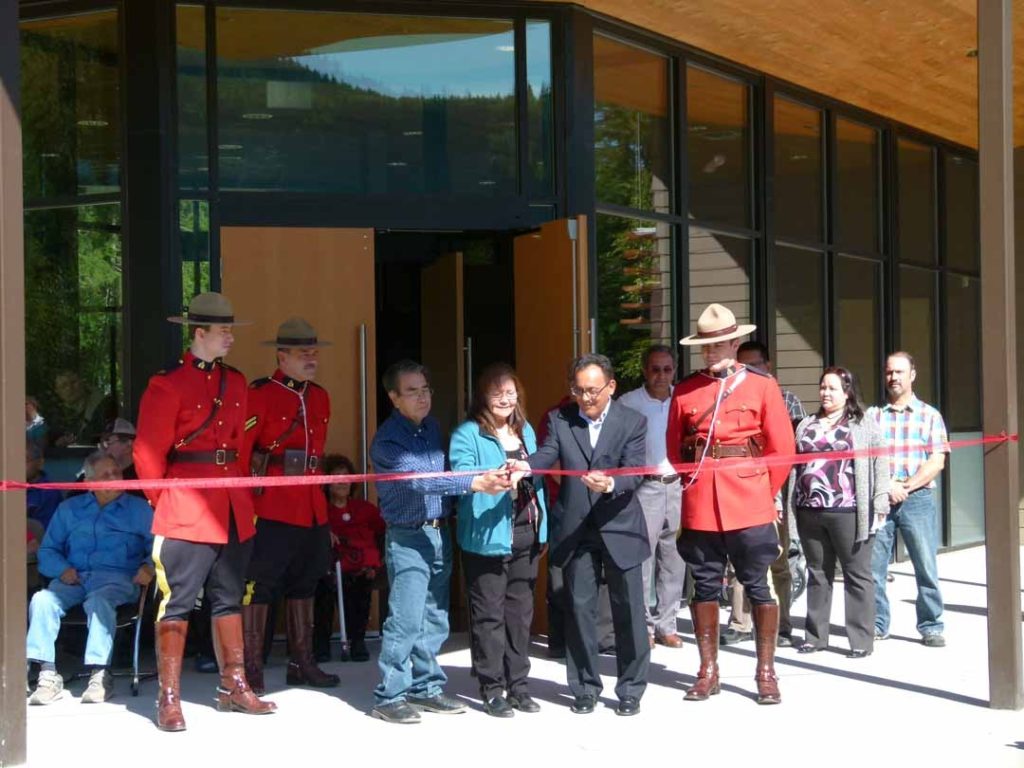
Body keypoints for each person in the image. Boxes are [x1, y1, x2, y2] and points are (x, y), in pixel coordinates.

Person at [134, 292, 275, 732]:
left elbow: (242, 443)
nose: (231, 337)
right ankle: (169, 697)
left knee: (229, 597)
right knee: (176, 602)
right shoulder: (168, 384)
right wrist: (164, 500)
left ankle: (234, 685)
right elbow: (147, 451)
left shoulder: (236, 381)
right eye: (223, 331)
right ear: (199, 334)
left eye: (231, 329)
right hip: (185, 499)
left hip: (231, 501)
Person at [369, 359, 511, 724]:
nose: (422, 397)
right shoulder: (387, 439)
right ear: (394, 398)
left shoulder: (431, 428)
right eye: (412, 391)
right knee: (406, 618)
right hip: (408, 535)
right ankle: (390, 694)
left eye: (425, 389)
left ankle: (426, 687)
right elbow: (419, 480)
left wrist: (484, 480)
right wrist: (472, 482)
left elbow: (442, 475)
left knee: (435, 616)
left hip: (438, 531)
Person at [666, 303, 795, 705]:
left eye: (720, 343)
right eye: (705, 345)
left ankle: (766, 671)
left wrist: (759, 488)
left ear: (735, 343)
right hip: (702, 500)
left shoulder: (761, 385)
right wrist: (695, 482)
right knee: (704, 586)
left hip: (750, 501)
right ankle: (708, 671)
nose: (712, 351)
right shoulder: (686, 389)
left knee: (757, 584)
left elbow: (782, 449)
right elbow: (674, 449)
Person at [512, 353, 650, 717]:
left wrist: (612, 483)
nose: (585, 397)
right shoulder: (560, 419)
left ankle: (631, 689)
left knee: (629, 612)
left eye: (592, 390)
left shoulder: (632, 420)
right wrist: (525, 467)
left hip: (619, 524)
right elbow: (547, 454)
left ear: (611, 387)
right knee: (579, 610)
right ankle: (585, 687)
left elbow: (636, 471)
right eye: (578, 390)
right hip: (576, 527)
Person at [241, 318, 338, 694]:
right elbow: (245, 453)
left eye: (314, 352)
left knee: (306, 580)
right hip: (272, 504)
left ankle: (302, 662)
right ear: (282, 356)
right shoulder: (261, 394)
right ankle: (251, 669)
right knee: (261, 585)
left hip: (311, 501)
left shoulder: (320, 395)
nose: (311, 358)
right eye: (303, 353)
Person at [449, 363, 548, 717]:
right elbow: (460, 474)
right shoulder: (467, 433)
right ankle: (492, 687)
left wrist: (542, 527)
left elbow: (539, 476)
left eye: (510, 392)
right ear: (482, 397)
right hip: (486, 535)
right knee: (488, 616)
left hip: (526, 531)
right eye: (497, 393)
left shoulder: (526, 431)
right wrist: (487, 480)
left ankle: (519, 685)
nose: (505, 399)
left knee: (520, 615)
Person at [26, 451, 154, 705]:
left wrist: (149, 568)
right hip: (75, 577)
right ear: (89, 481)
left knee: (99, 600)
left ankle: (100, 673)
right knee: (42, 600)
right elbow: (48, 550)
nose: (114, 478)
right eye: (106, 474)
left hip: (117, 579)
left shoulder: (139, 510)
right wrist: (62, 569)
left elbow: (159, 548)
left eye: (116, 472)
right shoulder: (69, 509)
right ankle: (47, 673)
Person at [787, 367, 889, 658]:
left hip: (849, 510)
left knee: (857, 574)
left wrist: (880, 500)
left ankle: (860, 640)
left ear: (847, 392)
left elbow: (880, 464)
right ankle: (815, 637)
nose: (826, 393)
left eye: (832, 388)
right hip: (810, 510)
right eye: (822, 388)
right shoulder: (806, 424)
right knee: (818, 574)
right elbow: (796, 466)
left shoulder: (863, 423)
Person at [721, 340, 807, 647]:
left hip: (777, 488)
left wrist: (776, 492)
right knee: (739, 559)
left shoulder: (787, 400)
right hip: (740, 488)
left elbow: (792, 451)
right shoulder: (727, 395)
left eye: (755, 364)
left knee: (779, 558)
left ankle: (781, 625)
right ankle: (740, 622)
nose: (749, 371)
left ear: (768, 367)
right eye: (743, 365)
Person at [869, 351, 949, 647]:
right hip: (882, 498)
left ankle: (931, 625)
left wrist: (907, 486)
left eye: (900, 372)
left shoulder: (930, 415)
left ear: (912, 375)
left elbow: (937, 461)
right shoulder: (873, 416)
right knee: (874, 567)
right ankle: (878, 623)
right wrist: (888, 485)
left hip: (918, 499)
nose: (894, 377)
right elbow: (866, 461)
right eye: (890, 372)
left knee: (925, 564)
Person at [617, 344, 685, 649]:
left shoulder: (682, 400)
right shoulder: (629, 403)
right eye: (655, 369)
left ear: (674, 371)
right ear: (645, 371)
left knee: (675, 558)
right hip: (646, 487)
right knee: (643, 557)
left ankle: (666, 624)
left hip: (679, 485)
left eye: (667, 369)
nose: (661, 376)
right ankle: (642, 625)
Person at [314, 453, 385, 664]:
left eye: (346, 476)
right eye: (336, 477)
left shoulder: (365, 509)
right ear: (326, 482)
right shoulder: (320, 511)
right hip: (330, 567)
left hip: (358, 567)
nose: (342, 481)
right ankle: (321, 645)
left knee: (360, 588)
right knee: (323, 590)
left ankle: (358, 641)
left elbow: (383, 534)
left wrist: (376, 561)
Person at [26, 440, 62, 531]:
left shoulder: (49, 493)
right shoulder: (7, 485)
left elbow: (44, 532)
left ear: (40, 463)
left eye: (24, 460)